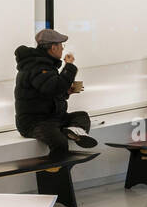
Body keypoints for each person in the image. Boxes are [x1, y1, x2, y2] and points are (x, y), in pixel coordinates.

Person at [14, 29, 97, 158]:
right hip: (34, 122)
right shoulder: (37, 66)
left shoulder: (46, 65)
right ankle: (54, 172)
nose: (62, 49)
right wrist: (69, 67)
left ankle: (73, 130)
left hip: (51, 118)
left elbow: (47, 94)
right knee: (59, 143)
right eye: (61, 46)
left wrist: (66, 92)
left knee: (81, 117)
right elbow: (53, 87)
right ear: (53, 48)